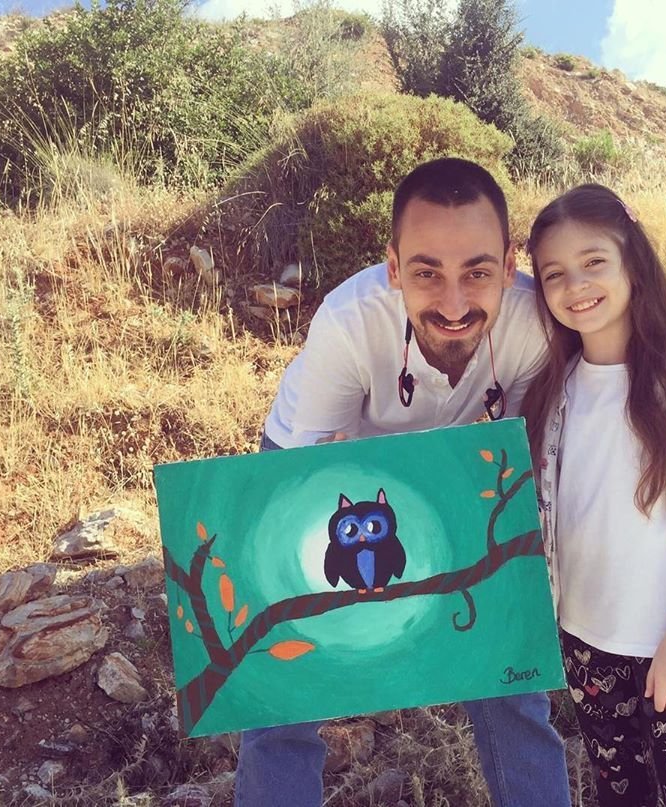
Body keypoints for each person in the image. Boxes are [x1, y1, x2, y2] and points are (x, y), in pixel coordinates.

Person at [235, 157, 572, 807]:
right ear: (393, 268)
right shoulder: (348, 321)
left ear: (509, 266)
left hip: (456, 460)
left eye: (477, 272)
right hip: (326, 456)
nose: (454, 304)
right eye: (426, 273)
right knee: (286, 670)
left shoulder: (536, 324)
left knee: (508, 660)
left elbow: (519, 470)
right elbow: (311, 489)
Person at [521, 184, 666, 807]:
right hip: (585, 641)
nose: (575, 285)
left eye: (593, 261)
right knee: (618, 790)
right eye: (553, 273)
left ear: (633, 264)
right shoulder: (554, 389)